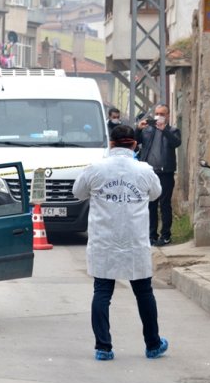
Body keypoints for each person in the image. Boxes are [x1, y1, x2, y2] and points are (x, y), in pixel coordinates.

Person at [73, 125, 168, 362]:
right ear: (134, 145)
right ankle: (153, 344)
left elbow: (77, 192)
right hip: (135, 241)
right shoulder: (144, 170)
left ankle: (103, 348)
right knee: (144, 292)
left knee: (102, 292)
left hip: (104, 240)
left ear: (111, 144)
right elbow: (156, 193)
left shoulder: (95, 169)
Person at [137, 104, 181, 246]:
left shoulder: (173, 130)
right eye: (156, 113)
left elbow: (176, 143)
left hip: (165, 173)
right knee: (151, 204)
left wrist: (164, 130)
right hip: (149, 172)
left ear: (167, 116)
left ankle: (166, 235)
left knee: (165, 204)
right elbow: (135, 141)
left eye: (162, 114)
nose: (159, 116)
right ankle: (151, 235)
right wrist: (138, 128)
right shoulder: (147, 130)